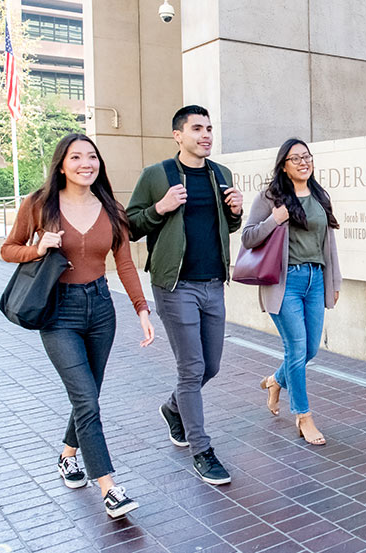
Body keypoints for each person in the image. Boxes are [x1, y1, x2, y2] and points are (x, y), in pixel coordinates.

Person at [1, 133, 154, 519]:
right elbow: (8, 249)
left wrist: (141, 309)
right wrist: (38, 248)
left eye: (92, 157)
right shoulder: (39, 205)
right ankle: (110, 488)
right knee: (86, 399)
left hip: (101, 308)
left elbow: (124, 264)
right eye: (76, 157)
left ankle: (68, 455)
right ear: (62, 164)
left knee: (88, 396)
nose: (86, 163)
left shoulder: (110, 207)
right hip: (58, 312)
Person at [126, 105, 243, 485]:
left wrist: (237, 213)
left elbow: (229, 225)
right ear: (178, 135)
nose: (206, 135)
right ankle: (202, 451)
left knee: (211, 366)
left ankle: (174, 408)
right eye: (197, 128)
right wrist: (160, 207)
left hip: (213, 283)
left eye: (209, 128)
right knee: (191, 369)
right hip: (175, 286)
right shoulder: (156, 175)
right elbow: (129, 226)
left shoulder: (220, 174)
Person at [242, 138, 341, 446]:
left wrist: (334, 281)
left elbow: (329, 243)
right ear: (283, 165)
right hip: (286, 284)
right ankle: (303, 416)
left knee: (310, 349)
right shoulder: (270, 197)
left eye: (307, 157)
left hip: (315, 279)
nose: (303, 162)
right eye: (296, 158)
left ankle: (275, 381)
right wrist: (275, 218)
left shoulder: (319, 195)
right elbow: (247, 238)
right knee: (296, 350)